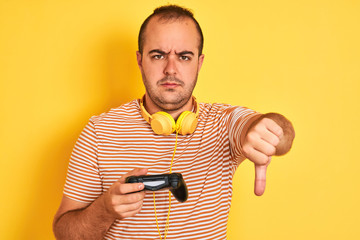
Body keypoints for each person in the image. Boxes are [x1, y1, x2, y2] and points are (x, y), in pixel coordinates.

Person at [53, 4, 295, 240]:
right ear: (140, 60)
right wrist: (105, 210)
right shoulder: (99, 131)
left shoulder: (224, 123)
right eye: (158, 55)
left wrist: (267, 129)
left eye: (184, 57)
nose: (171, 69)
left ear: (199, 63)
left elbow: (275, 134)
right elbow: (64, 233)